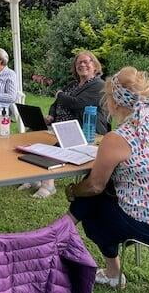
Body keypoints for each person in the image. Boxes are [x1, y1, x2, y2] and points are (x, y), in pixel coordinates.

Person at [65, 67, 149, 288]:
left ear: (115, 103)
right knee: (100, 192)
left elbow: (94, 186)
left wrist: (72, 191)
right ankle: (60, 231)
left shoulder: (118, 137)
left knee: (94, 205)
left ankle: (111, 273)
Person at [21, 50, 109, 198]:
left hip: (85, 128)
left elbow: (77, 103)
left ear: (95, 66)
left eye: (86, 61)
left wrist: (60, 94)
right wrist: (51, 115)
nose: (82, 64)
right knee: (32, 132)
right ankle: (33, 177)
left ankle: (48, 185)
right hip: (59, 125)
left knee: (56, 144)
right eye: (78, 62)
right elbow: (56, 104)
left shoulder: (98, 85)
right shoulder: (72, 85)